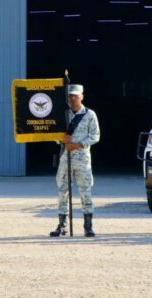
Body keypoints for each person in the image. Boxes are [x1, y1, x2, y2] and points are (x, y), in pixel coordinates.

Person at [49, 84, 101, 238]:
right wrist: (61, 140)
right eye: (70, 96)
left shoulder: (89, 115)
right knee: (62, 191)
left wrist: (77, 144)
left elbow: (95, 136)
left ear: (82, 96)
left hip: (82, 158)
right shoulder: (63, 114)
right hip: (66, 158)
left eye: (75, 96)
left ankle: (88, 225)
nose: (72, 98)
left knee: (85, 191)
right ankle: (62, 224)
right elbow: (53, 134)